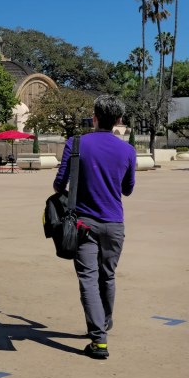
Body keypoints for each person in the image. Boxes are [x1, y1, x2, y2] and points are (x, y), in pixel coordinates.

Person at [53, 95, 136, 360]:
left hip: (83, 224)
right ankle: (105, 322)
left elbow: (59, 183)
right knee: (107, 276)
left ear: (95, 117)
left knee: (88, 279)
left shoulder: (76, 143)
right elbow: (128, 189)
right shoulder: (128, 150)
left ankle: (99, 339)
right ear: (119, 121)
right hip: (114, 225)